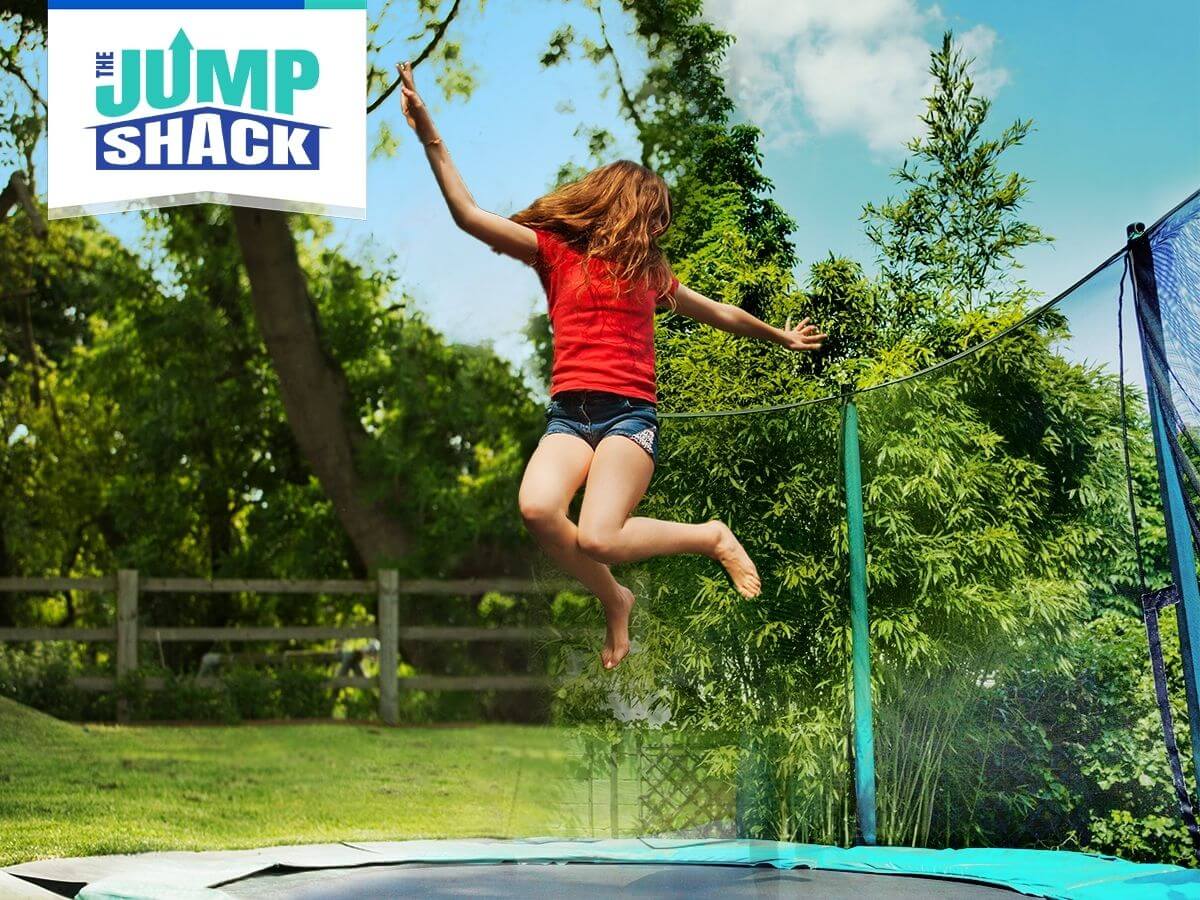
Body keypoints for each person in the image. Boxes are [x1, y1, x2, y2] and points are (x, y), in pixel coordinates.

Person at [396, 61, 825, 670]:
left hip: (629, 417)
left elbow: (720, 312)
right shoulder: (555, 252)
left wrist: (778, 335)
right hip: (569, 416)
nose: (658, 230)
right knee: (538, 510)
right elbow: (468, 214)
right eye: (653, 217)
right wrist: (429, 135)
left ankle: (710, 536)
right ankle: (614, 598)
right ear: (622, 206)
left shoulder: (650, 274)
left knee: (599, 535)